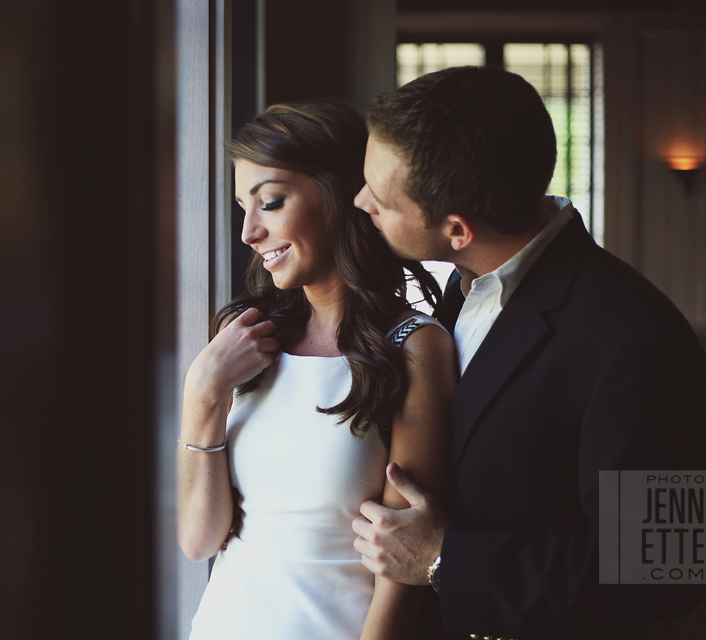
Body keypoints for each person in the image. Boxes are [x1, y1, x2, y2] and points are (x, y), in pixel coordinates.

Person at [351, 65, 706, 640]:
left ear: (457, 229)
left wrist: (445, 558)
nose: (361, 200)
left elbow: (661, 573)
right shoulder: (457, 287)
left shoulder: (640, 337)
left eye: (382, 199)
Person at [177, 100, 458, 640]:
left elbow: (402, 569)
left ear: (337, 195)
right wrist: (203, 391)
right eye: (243, 207)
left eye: (271, 202)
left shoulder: (415, 348)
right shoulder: (245, 338)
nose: (249, 233)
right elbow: (199, 541)